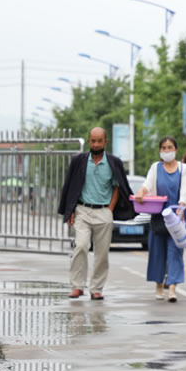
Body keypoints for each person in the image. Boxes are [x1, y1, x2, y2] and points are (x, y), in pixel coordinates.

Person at [58, 127, 134, 300]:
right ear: (89, 141)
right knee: (81, 246)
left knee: (102, 253)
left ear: (105, 142)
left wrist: (110, 209)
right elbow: (70, 185)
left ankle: (96, 288)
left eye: (100, 141)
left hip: (103, 212)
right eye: (93, 140)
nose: (96, 144)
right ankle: (77, 286)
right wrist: (69, 210)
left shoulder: (114, 163)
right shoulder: (79, 160)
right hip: (82, 211)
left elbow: (117, 186)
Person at [135, 137, 186, 302]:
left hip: (177, 215)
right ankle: (159, 285)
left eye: (170, 147)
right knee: (157, 251)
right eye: (164, 148)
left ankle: (172, 287)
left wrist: (180, 209)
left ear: (176, 149)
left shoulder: (184, 168)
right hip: (159, 215)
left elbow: (184, 190)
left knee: (175, 252)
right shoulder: (155, 167)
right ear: (160, 150)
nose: (167, 151)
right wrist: (141, 192)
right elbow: (147, 184)